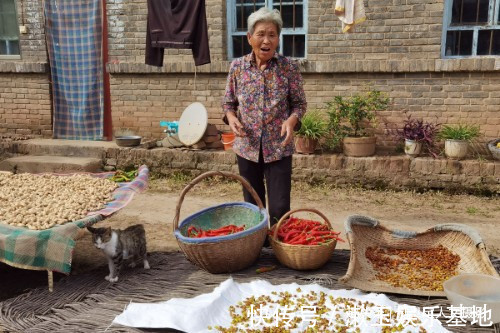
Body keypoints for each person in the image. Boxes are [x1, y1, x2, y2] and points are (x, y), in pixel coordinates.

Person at [222, 7, 307, 226]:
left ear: (278, 38)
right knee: (252, 204)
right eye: (261, 34)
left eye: (272, 34)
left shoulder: (288, 68)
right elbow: (228, 103)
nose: (266, 40)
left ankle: (280, 250)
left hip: (278, 146)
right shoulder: (237, 68)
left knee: (279, 206)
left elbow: (299, 103)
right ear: (250, 38)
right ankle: (256, 246)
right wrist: (231, 118)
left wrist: (292, 119)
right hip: (246, 146)